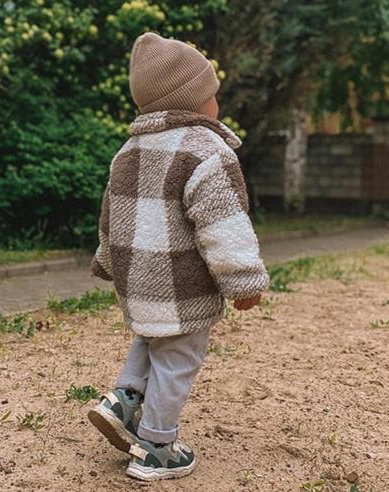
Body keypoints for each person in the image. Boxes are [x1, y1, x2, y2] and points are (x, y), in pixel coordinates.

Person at [88, 32, 269, 482]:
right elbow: (223, 224)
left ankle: (124, 399)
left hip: (139, 282)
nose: (216, 104)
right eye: (212, 96)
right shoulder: (207, 152)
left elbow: (113, 216)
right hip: (182, 285)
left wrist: (107, 261)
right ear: (191, 101)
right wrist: (244, 279)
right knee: (178, 357)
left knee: (150, 338)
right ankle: (156, 444)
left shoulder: (128, 152)